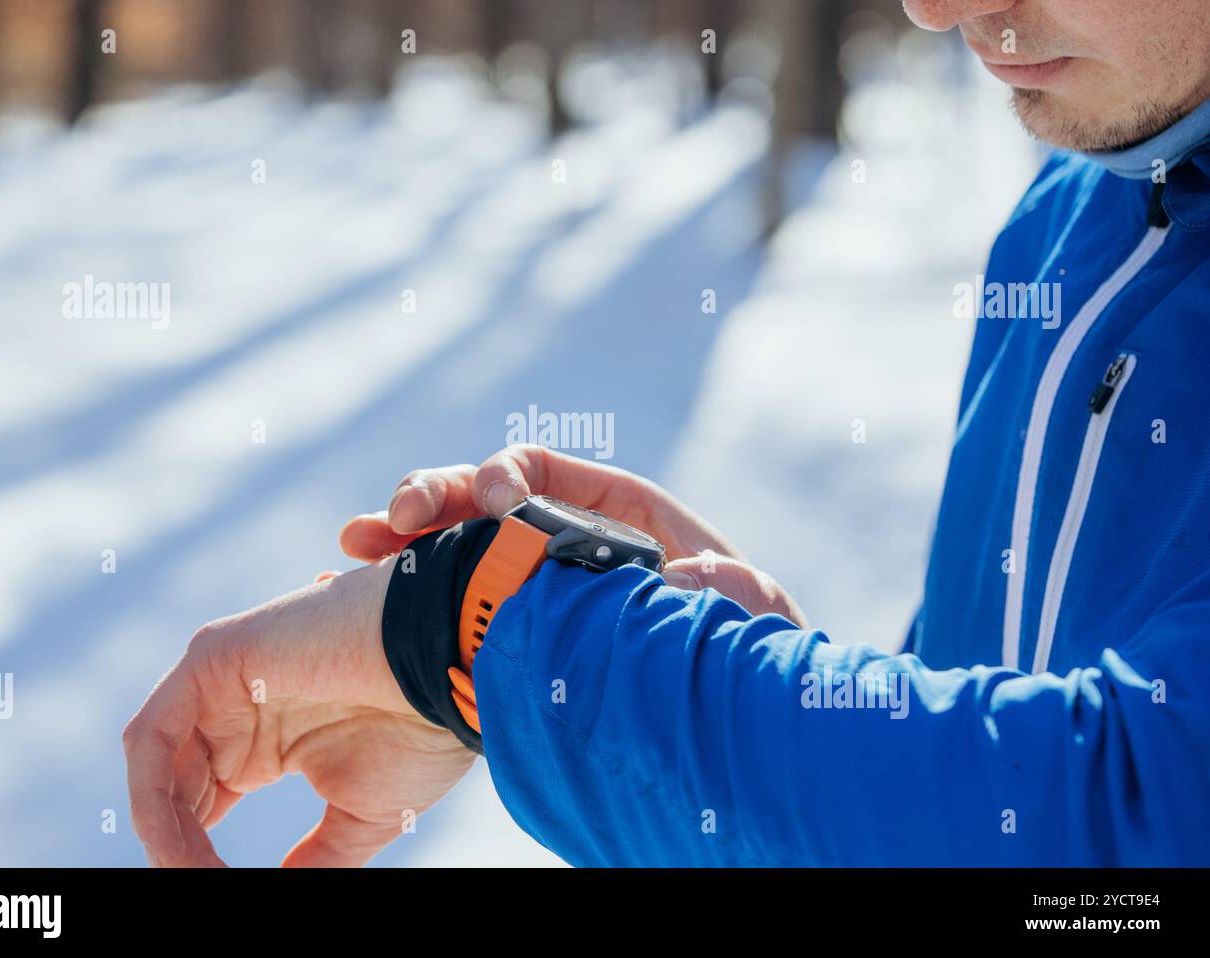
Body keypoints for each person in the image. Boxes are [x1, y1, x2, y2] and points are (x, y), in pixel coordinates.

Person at [123, 0, 1210, 867]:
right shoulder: (1075, 214)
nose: (936, 8)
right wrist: (764, 679)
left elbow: (1120, 819)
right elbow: (1000, 749)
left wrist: (483, 625)